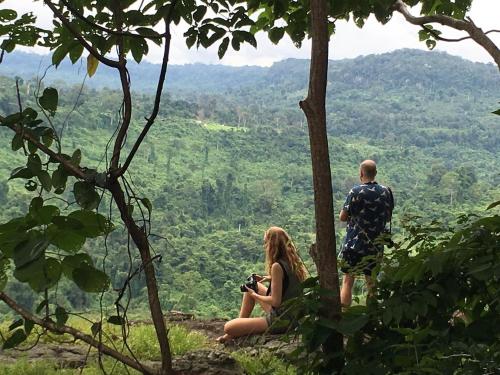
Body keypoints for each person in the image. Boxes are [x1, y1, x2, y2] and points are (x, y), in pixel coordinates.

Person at [216, 226, 307, 343]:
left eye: (266, 243)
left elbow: (275, 301)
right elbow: (288, 282)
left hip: (280, 320)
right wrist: (267, 279)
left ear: (272, 245)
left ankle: (236, 329)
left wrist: (255, 295)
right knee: (254, 285)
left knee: (228, 327)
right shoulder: (293, 262)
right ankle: (241, 324)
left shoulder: (277, 266)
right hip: (292, 315)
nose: (265, 246)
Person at [339, 160, 394, 307]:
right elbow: (388, 217)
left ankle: (344, 316)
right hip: (375, 245)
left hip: (354, 245)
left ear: (361, 173)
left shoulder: (355, 192)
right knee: (372, 283)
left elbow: (343, 217)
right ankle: (372, 318)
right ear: (375, 173)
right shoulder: (385, 192)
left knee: (348, 281)